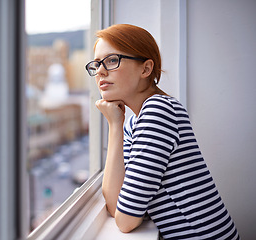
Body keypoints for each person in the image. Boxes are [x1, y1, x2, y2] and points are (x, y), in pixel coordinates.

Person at [85, 24, 239, 239]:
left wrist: (125, 212)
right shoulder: (134, 123)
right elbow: (116, 205)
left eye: (112, 60)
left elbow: (126, 220)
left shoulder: (159, 111)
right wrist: (115, 125)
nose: (100, 71)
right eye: (96, 63)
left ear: (146, 69)